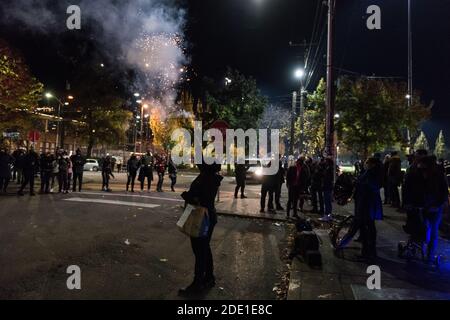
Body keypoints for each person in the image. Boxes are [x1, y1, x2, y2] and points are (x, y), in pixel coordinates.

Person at [179, 162, 223, 296]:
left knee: (199, 251)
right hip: (208, 216)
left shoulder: (205, 178)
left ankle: (197, 284)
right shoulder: (211, 177)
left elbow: (198, 198)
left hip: (202, 217)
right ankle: (208, 277)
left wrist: (186, 195)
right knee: (204, 249)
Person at [403, 151, 449, 263]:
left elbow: (443, 192)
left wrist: (438, 205)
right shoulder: (413, 174)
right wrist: (407, 203)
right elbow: (407, 189)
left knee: (433, 230)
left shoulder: (438, 175)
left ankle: (430, 254)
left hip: (433, 207)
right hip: (417, 206)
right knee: (417, 227)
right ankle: (413, 248)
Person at [336, 157, 384, 261]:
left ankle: (367, 253)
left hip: (366, 205)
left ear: (372, 164)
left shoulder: (372, 174)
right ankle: (368, 252)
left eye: (367, 162)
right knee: (367, 228)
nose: (365, 164)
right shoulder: (371, 173)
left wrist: (358, 183)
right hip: (365, 205)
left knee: (366, 229)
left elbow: (370, 186)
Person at [320, 157, 335, 221]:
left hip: (327, 187)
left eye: (326, 161)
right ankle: (329, 215)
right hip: (328, 187)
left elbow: (327, 179)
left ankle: (327, 215)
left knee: (327, 202)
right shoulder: (330, 169)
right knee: (328, 202)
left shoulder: (329, 169)